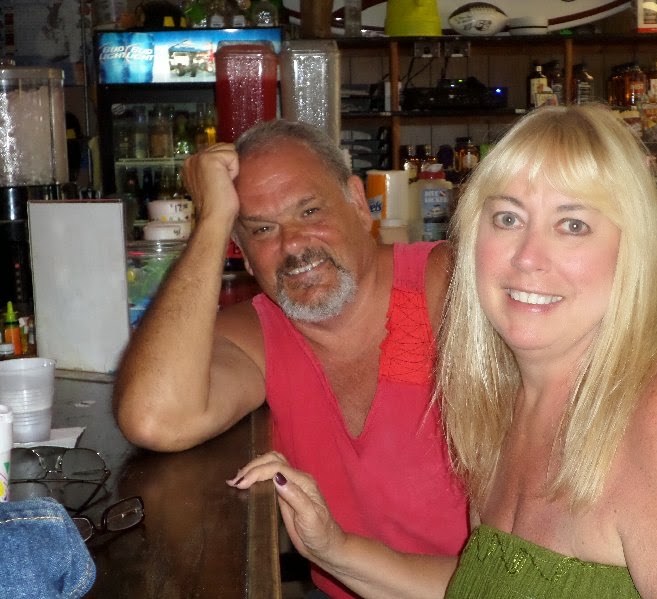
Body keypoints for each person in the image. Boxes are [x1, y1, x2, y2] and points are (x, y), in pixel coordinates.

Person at [229, 104, 657, 598]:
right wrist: (333, 548)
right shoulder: (501, 408)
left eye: (572, 225)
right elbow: (488, 585)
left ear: (631, 249)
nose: (527, 257)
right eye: (507, 218)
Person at [112, 119, 469, 598]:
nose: (293, 244)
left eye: (310, 210)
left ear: (357, 202)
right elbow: (155, 417)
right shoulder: (259, 331)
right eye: (262, 228)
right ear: (242, 252)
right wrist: (213, 221)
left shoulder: (451, 285)